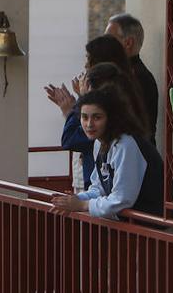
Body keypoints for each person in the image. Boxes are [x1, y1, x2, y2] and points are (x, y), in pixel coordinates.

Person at [45, 36, 148, 187]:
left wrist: (72, 109)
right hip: (101, 182)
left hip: (112, 186)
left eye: (89, 59)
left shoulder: (123, 138)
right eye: (84, 117)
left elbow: (72, 139)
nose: (86, 65)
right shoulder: (128, 88)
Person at [49, 87, 164, 220]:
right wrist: (74, 200)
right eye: (84, 117)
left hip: (163, 228)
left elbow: (122, 199)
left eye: (97, 117)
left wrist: (82, 204)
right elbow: (99, 188)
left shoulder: (126, 144)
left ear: (111, 118)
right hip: (138, 227)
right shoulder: (99, 143)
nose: (89, 124)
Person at [105, 12, 159, 146]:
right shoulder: (122, 74)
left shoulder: (137, 78)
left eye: (109, 39)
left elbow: (119, 121)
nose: (104, 44)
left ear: (128, 43)